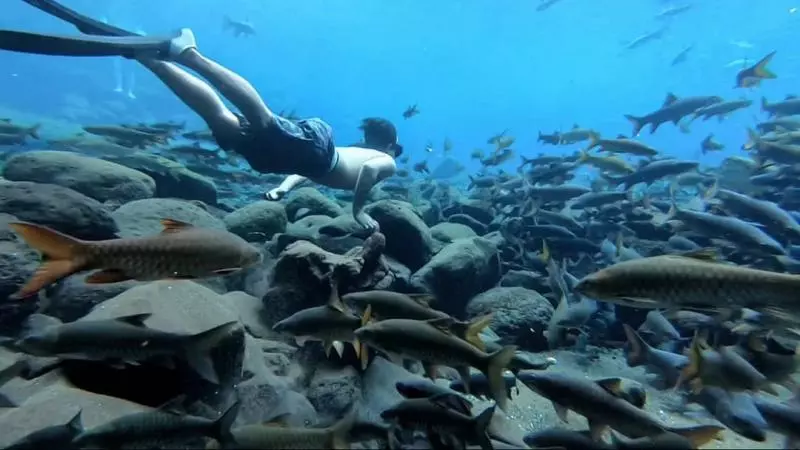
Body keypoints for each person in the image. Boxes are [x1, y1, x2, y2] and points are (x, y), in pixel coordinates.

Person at [2, 0, 398, 230]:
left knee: (227, 119)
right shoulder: (387, 162)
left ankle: (151, 61)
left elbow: (309, 167)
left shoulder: (359, 151)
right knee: (255, 118)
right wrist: (358, 210)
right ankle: (185, 54)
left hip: (300, 162)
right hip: (313, 154)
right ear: (391, 145)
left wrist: (283, 190)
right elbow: (364, 173)